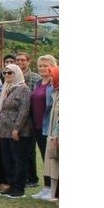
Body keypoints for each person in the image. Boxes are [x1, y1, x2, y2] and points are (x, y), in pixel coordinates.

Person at [0, 64, 33, 199]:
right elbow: (2, 109)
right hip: (4, 130)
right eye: (4, 73)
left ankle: (19, 188)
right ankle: (11, 185)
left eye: (10, 73)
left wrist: (17, 128)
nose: (6, 75)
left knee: (19, 160)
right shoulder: (6, 88)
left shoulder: (23, 89)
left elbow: (24, 111)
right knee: (8, 159)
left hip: (18, 131)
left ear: (16, 73)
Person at [30, 57, 59, 199]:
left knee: (50, 158)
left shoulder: (54, 84)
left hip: (48, 125)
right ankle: (46, 187)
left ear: (53, 67)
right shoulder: (37, 83)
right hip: (36, 125)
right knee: (43, 157)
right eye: (40, 65)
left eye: (45, 66)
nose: (42, 68)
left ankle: (52, 188)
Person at [39, 67, 59, 202]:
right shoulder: (56, 93)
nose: (50, 79)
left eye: (52, 76)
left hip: (58, 135)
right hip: (53, 134)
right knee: (54, 165)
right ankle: (54, 194)